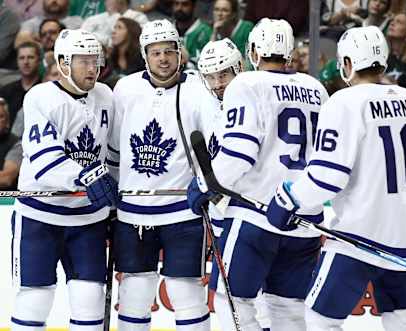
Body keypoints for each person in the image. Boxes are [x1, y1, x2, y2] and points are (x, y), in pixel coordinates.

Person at [266, 25, 406, 331]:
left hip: (357, 241)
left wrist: (289, 199)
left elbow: (327, 177)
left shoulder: (344, 102)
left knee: (319, 321)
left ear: (346, 63)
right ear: (383, 60)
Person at [188, 18, 329, 330]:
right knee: (288, 310)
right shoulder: (316, 89)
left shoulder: (247, 84)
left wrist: (204, 184)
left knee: (232, 302)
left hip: (257, 217)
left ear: (251, 51)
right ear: (291, 52)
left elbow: (239, 153)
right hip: (303, 221)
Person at [10, 29, 118, 331]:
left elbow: (111, 151)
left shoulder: (106, 96)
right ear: (63, 62)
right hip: (39, 215)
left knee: (89, 298)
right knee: (35, 299)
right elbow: (46, 161)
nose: (92, 67)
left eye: (95, 60)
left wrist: (113, 199)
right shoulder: (41, 97)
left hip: (87, 218)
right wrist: (91, 176)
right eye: (83, 60)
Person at [109, 19, 212, 331]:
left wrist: (207, 183)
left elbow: (215, 148)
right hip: (132, 213)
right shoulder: (125, 89)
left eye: (169, 51)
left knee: (187, 295)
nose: (164, 58)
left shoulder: (198, 91)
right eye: (156, 52)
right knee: (134, 295)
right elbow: (114, 149)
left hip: (183, 211)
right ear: (144, 54)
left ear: (180, 53)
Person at [0, 41, 41, 126]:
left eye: (30, 57)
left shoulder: (45, 90)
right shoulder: (5, 91)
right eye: (22, 58)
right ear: (17, 61)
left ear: (38, 60)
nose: (26, 62)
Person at [81, 0, 148, 47]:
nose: (107, 2)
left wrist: (114, 15)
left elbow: (136, 40)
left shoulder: (138, 17)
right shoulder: (94, 19)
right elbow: (82, 36)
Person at [100, 17, 144, 88]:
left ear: (131, 32)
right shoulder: (110, 58)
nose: (113, 32)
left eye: (119, 27)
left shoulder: (142, 57)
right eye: (114, 28)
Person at [172, 0, 212, 67]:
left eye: (185, 4)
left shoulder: (206, 32)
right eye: (176, 4)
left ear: (194, 7)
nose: (179, 8)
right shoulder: (167, 30)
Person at [0, 98, 21, 190]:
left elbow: (6, 178)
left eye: (0, 116)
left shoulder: (16, 144)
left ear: (7, 122)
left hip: (5, 200)